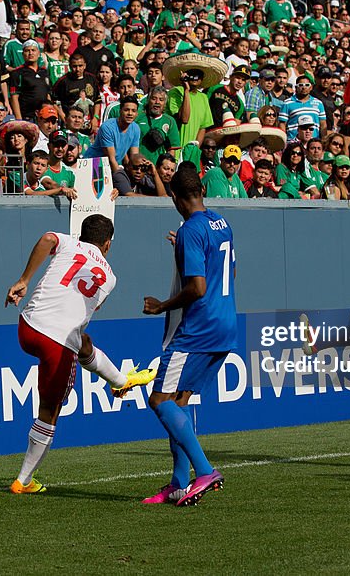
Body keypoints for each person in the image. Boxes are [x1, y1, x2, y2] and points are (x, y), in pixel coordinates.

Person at [4, 215, 155, 493]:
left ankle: (120, 381)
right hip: (57, 344)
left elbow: (48, 238)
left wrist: (24, 279)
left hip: (27, 327)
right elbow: (88, 310)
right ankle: (22, 481)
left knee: (84, 342)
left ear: (81, 233)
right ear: (107, 244)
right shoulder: (109, 278)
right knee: (50, 411)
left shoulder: (68, 243)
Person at [141, 164, 236, 506]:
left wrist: (162, 305)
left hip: (199, 329)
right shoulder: (221, 223)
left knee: (159, 401)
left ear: (177, 199)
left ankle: (205, 470)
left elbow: (196, 288)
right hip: (226, 323)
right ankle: (180, 483)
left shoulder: (190, 231)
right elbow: (230, 271)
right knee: (178, 402)